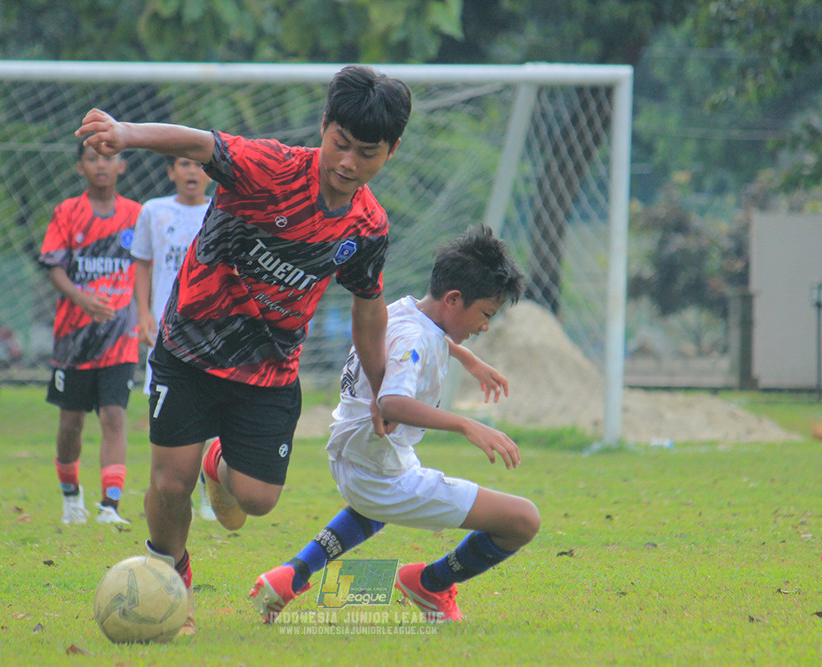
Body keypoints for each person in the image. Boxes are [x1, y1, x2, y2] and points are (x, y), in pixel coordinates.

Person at [76, 64, 412, 634]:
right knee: (168, 483)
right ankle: (170, 585)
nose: (348, 163)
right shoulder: (272, 168)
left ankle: (218, 463)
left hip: (269, 371)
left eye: (367, 153)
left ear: (391, 152)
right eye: (341, 144)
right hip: (188, 350)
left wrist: (383, 393)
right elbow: (200, 143)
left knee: (255, 501)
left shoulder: (369, 226)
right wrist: (128, 132)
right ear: (325, 126)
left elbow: (368, 311)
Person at [249, 225, 541, 624]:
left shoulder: (406, 309)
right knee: (523, 520)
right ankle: (430, 584)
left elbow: (420, 337)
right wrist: (468, 426)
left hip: (364, 459)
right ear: (454, 299)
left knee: (374, 505)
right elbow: (391, 402)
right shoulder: (413, 341)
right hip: (379, 474)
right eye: (486, 314)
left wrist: (466, 357)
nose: (486, 326)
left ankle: (292, 575)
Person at [38, 142, 141, 526]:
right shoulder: (67, 212)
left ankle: (109, 506)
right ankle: (70, 497)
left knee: (115, 416)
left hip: (121, 339)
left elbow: (143, 268)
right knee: (71, 422)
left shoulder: (136, 215)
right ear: (81, 167)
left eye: (109, 157)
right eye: (93, 158)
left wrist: (143, 314)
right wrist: (83, 300)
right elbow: (54, 267)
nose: (102, 164)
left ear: (122, 165)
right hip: (74, 340)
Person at [131, 155, 217, 522]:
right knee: (168, 416)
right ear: (170, 172)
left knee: (214, 413)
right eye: (184, 164)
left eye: (199, 165)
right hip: (168, 332)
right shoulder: (153, 212)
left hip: (212, 331)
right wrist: (144, 313)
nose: (192, 171)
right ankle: (166, 492)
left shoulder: (224, 211)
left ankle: (210, 494)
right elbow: (143, 263)